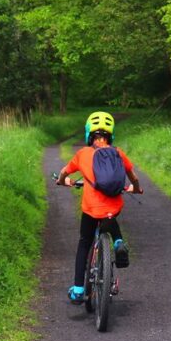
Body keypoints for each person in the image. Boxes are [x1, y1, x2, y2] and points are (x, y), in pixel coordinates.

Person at [56, 111, 142, 304]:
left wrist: (62, 181)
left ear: (89, 134)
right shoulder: (118, 153)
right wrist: (136, 188)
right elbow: (133, 177)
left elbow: (64, 172)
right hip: (112, 207)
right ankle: (118, 242)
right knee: (110, 217)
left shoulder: (82, 154)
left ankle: (78, 289)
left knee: (84, 241)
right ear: (110, 135)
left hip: (91, 209)